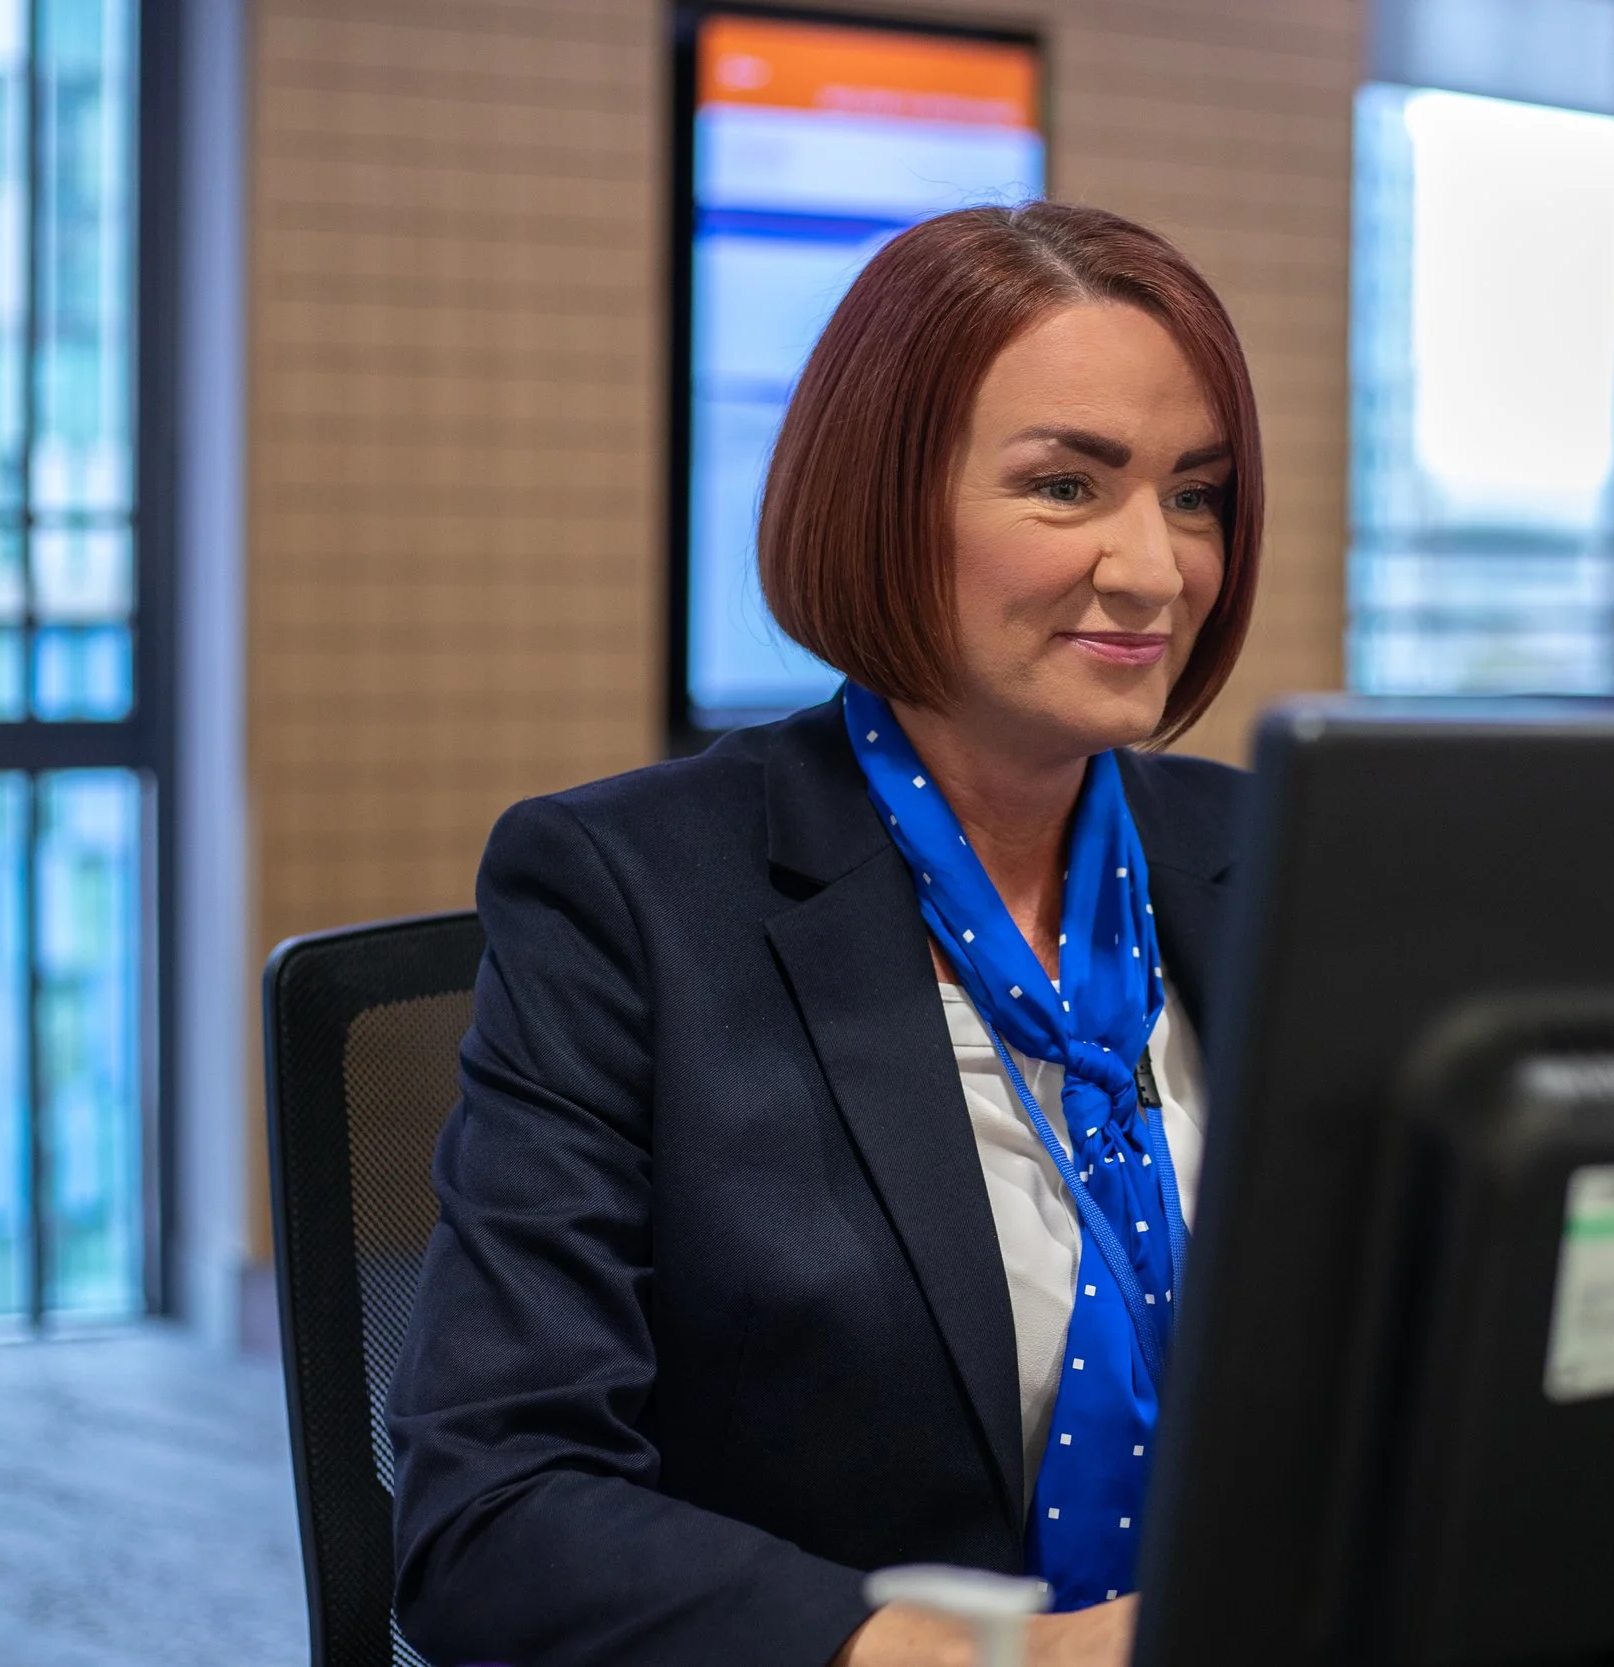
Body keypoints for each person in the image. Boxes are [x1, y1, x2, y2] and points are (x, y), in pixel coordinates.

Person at [385, 202, 1263, 1667]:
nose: (1158, 570)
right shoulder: (630, 894)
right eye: (1066, 485)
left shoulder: (1263, 854)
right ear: (882, 499)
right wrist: (1009, 1657)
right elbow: (495, 1510)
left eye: (1195, 495)